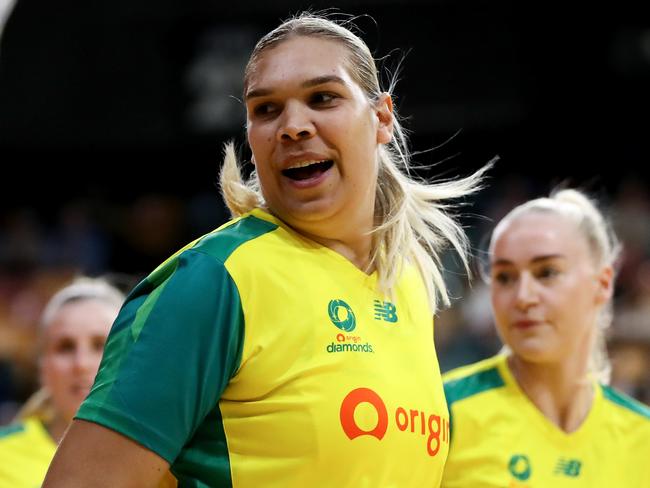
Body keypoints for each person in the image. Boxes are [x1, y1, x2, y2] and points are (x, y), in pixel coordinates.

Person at [44, 12, 490, 488]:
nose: (293, 126)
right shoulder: (215, 278)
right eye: (267, 109)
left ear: (381, 117)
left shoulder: (406, 280)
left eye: (323, 98)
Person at [441, 188, 650, 487]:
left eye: (547, 272)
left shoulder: (643, 435)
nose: (523, 296)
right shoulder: (444, 411)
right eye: (504, 277)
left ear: (602, 284)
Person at [0, 277, 124, 487]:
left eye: (100, 345)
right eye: (65, 347)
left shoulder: (168, 462)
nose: (81, 363)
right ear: (42, 367)